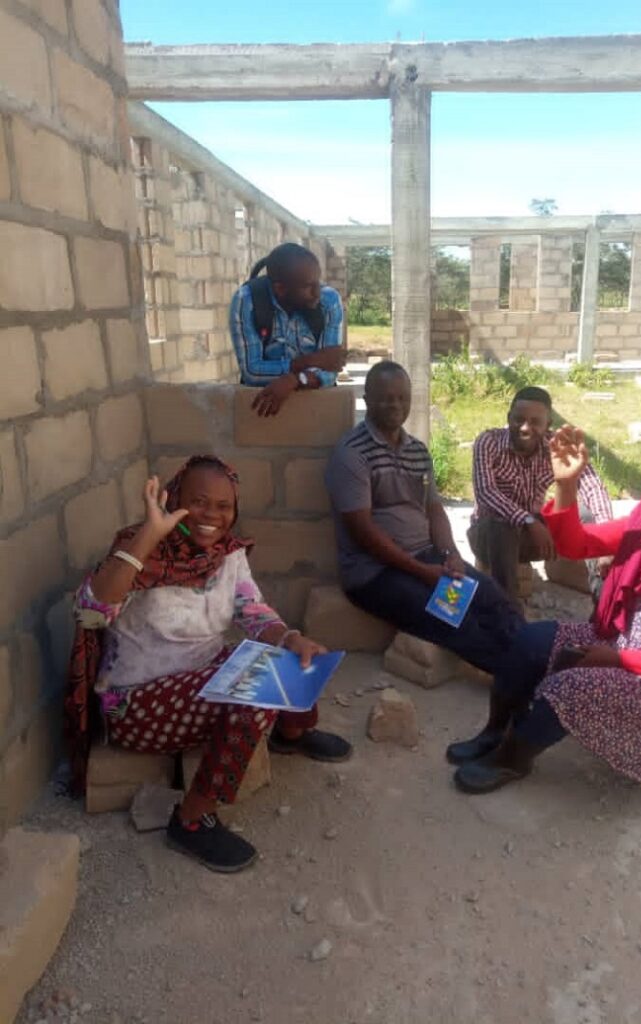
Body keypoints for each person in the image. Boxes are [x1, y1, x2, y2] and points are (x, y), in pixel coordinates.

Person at [65, 455, 352, 873]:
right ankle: (192, 820)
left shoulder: (226, 553)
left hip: (202, 675)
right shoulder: (136, 549)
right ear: (174, 497)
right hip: (137, 701)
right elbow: (91, 614)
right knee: (256, 691)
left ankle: (290, 734)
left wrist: (291, 637)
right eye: (199, 502)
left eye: (224, 506)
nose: (212, 516)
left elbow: (251, 609)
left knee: (288, 657)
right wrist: (150, 534)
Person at [449, 429, 641, 794]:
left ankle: (512, 760)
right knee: (527, 641)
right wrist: (566, 486)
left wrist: (618, 660)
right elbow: (575, 543)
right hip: (624, 641)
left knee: (571, 686)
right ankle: (495, 732)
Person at [325, 360, 525, 686]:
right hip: (374, 574)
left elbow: (434, 509)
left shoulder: (417, 450)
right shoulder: (351, 454)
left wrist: (450, 554)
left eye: (402, 398)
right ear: (367, 399)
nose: (395, 405)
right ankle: (520, 674)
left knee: (491, 596)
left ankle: (536, 652)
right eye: (386, 398)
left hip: (426, 559)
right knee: (452, 618)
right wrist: (423, 573)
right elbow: (362, 532)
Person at [469, 386, 613, 609]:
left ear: (548, 424)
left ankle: (604, 603)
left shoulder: (557, 446)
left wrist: (606, 538)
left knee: (586, 514)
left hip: (537, 537)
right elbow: (486, 493)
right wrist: (528, 522)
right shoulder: (488, 442)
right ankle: (507, 612)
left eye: (535, 422)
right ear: (508, 418)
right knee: (500, 523)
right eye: (518, 419)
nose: (525, 428)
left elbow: (592, 486)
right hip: (489, 536)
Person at [229, 242, 346, 417]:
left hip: (316, 409)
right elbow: (252, 372)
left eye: (318, 283)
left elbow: (330, 369)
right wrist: (308, 362)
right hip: (265, 410)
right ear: (280, 289)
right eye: (308, 286)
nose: (317, 293)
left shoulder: (329, 301)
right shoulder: (247, 301)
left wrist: (296, 380)